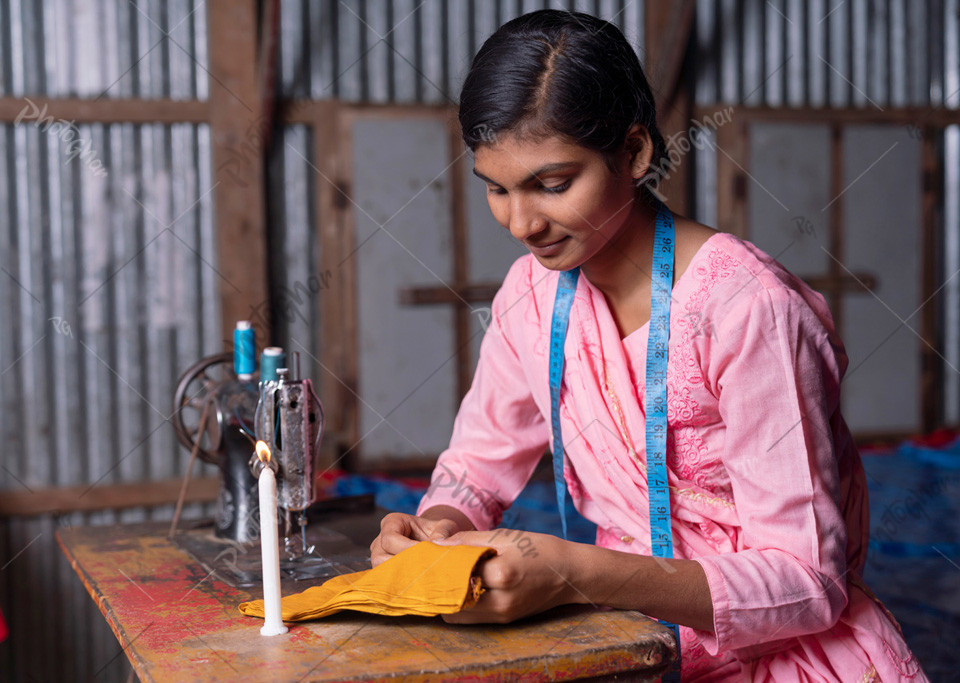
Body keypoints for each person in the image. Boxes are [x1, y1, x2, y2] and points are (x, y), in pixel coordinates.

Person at [370, 10, 926, 682]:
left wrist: (576, 572)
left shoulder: (746, 308)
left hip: (787, 658)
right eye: (496, 188)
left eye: (551, 185)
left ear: (633, 152)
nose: (521, 222)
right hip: (627, 646)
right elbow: (480, 465)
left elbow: (807, 583)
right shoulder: (531, 296)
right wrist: (435, 528)